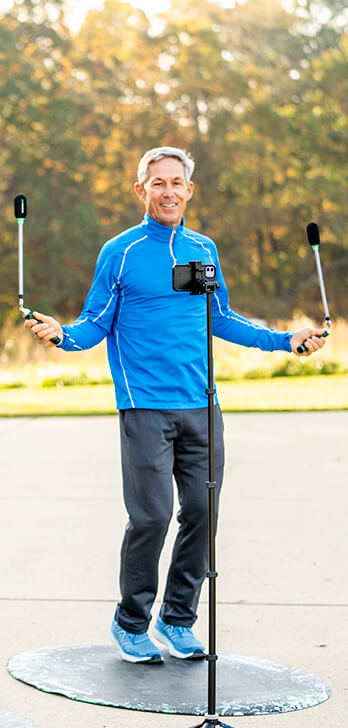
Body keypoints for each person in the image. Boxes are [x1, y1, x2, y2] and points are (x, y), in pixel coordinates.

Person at [26, 146, 327, 664]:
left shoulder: (202, 250)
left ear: (189, 190)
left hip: (202, 406)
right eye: (157, 182)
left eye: (176, 182)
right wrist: (62, 336)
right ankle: (131, 622)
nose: (168, 191)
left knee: (204, 513)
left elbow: (220, 317)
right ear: (140, 190)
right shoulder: (120, 252)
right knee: (152, 517)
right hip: (145, 406)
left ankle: (177, 619)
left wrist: (284, 340)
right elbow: (94, 323)